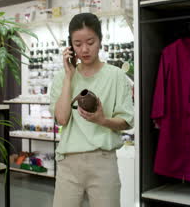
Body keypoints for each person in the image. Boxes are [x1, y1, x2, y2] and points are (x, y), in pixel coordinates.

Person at [49, 13, 134, 207]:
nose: (85, 49)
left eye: (90, 42)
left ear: (100, 41)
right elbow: (61, 119)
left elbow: (126, 120)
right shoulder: (62, 77)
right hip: (68, 163)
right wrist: (69, 77)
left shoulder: (116, 76)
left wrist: (102, 120)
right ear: (70, 46)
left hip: (103, 161)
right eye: (77, 44)